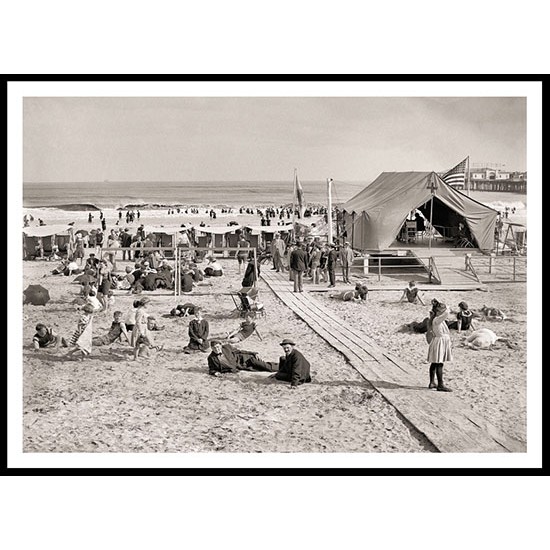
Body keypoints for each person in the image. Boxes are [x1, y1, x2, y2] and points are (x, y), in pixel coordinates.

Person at [207, 340, 276, 376]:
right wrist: (214, 373)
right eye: (214, 348)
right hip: (241, 366)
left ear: (221, 346)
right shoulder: (211, 358)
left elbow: (239, 351)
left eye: (218, 347)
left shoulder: (227, 347)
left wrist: (253, 353)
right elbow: (211, 369)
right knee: (260, 369)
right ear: (212, 348)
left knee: (267, 367)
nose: (217, 349)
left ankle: (282, 366)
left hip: (247, 359)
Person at [426, 299, 453, 392]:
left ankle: (432, 382)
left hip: (439, 341)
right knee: (439, 363)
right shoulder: (437, 320)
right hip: (440, 342)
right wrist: (447, 308)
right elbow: (446, 313)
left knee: (434, 362)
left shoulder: (436, 319)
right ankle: (440, 384)